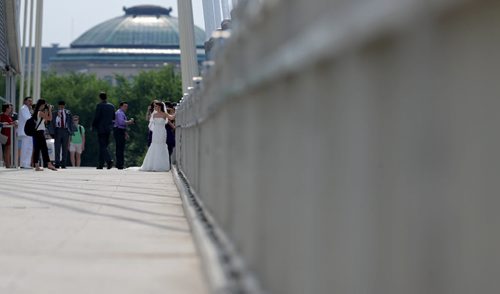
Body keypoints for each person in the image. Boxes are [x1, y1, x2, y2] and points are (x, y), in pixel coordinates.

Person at [140, 102, 170, 171]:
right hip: (156, 132)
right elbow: (149, 121)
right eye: (155, 106)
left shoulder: (165, 114)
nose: (155, 108)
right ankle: (152, 164)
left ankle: (161, 165)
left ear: (160, 107)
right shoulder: (154, 115)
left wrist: (176, 111)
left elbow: (171, 118)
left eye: (156, 106)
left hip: (162, 131)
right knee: (154, 145)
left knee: (161, 145)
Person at [92, 92, 115, 169]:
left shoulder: (99, 106)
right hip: (109, 129)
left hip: (101, 128)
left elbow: (97, 117)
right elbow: (113, 117)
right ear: (106, 97)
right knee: (104, 146)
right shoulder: (111, 106)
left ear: (100, 98)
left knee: (102, 146)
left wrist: (93, 126)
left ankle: (109, 161)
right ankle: (100, 164)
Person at [32, 99, 57, 171]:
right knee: (44, 149)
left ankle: (36, 165)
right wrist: (49, 110)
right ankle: (49, 164)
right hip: (39, 132)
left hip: (37, 132)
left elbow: (45, 121)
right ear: (41, 105)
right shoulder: (39, 112)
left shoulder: (37, 112)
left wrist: (46, 111)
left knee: (37, 149)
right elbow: (50, 118)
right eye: (44, 105)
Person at [49, 100, 74, 168]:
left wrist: (71, 132)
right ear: (58, 106)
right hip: (58, 130)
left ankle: (63, 163)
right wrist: (58, 116)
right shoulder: (55, 113)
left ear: (64, 106)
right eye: (60, 106)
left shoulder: (68, 112)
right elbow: (52, 122)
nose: (62, 107)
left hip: (66, 130)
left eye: (63, 106)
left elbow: (71, 122)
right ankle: (57, 163)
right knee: (57, 148)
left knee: (65, 148)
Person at [113, 101, 134, 169]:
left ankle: (119, 164)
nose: (126, 108)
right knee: (120, 148)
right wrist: (129, 122)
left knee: (120, 148)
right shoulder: (119, 113)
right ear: (121, 106)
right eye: (124, 106)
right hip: (118, 131)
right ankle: (120, 164)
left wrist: (125, 133)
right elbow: (121, 122)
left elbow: (122, 125)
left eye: (126, 106)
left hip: (120, 130)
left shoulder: (121, 113)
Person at [17, 97, 33, 168]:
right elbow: (27, 119)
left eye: (31, 101)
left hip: (29, 131)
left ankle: (27, 163)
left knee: (29, 147)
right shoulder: (23, 108)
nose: (30, 103)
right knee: (25, 148)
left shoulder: (28, 109)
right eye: (29, 101)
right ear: (25, 101)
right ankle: (23, 163)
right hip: (25, 131)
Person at [0, 103, 16, 168]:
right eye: (9, 108)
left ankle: (8, 164)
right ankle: (8, 165)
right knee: (6, 150)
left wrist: (14, 123)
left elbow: (10, 123)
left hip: (9, 134)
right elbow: (2, 123)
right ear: (6, 109)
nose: (11, 109)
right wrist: (5, 123)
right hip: (4, 134)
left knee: (8, 150)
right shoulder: (2, 115)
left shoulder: (9, 116)